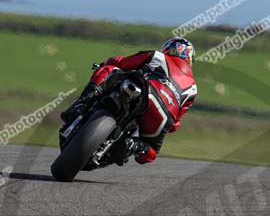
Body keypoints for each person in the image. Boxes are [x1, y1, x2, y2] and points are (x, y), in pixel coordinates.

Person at [60, 37, 198, 164]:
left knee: (109, 69)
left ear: (168, 48)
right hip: (163, 117)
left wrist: (105, 64)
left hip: (146, 91)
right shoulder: (193, 88)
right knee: (151, 154)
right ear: (189, 59)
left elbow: (121, 62)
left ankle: (81, 104)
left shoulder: (158, 56)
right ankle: (134, 145)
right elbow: (175, 125)